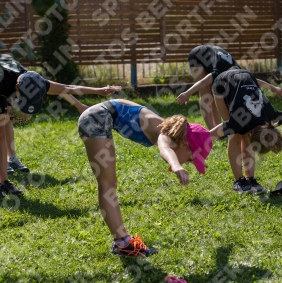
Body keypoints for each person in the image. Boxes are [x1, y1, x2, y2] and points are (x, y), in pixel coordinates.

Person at [77, 97, 213, 257]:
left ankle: (122, 242)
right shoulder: (164, 134)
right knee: (107, 184)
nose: (189, 163)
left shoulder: (169, 130)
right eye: (191, 159)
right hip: (98, 117)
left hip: (99, 114)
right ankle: (122, 243)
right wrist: (176, 165)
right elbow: (165, 149)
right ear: (184, 144)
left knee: (109, 184)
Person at [0, 54, 122, 198]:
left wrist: (97, 92)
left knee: (2, 130)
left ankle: (4, 182)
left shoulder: (33, 81)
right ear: (16, 87)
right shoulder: (4, 83)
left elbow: (66, 88)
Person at [178, 67, 282, 194]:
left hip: (246, 76)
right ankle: (239, 181)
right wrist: (196, 150)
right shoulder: (237, 122)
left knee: (243, 133)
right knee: (235, 135)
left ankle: (250, 179)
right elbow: (211, 134)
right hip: (222, 83)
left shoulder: (271, 117)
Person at [187, 45, 282, 129]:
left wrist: (275, 89)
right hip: (197, 56)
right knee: (206, 93)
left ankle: (218, 127)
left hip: (213, 56)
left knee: (215, 94)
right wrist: (187, 94)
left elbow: (254, 80)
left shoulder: (239, 73)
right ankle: (211, 130)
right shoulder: (219, 72)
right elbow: (203, 82)